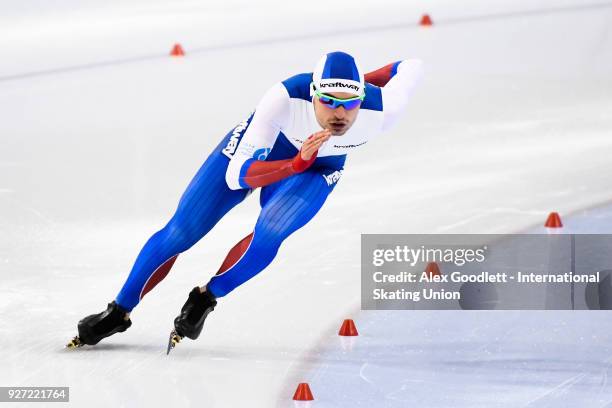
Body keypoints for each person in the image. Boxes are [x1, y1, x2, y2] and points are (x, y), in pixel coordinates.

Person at [67, 51, 423, 350]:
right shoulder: (283, 98)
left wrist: (363, 79)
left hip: (321, 166)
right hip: (262, 153)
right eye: (328, 100)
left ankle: (207, 296)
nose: (339, 114)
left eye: (349, 102)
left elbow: (410, 65)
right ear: (312, 94)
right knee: (182, 231)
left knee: (272, 230)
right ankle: (119, 311)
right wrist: (294, 163)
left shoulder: (384, 111)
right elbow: (238, 175)